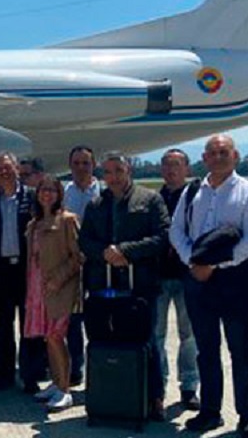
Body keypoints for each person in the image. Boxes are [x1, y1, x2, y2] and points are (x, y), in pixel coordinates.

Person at [170, 134, 248, 438]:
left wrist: (214, 265)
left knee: (241, 350)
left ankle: (247, 415)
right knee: (206, 350)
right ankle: (210, 411)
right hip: (198, 281)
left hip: (235, 282)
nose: (218, 157)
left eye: (224, 152)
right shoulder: (192, 192)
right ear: (204, 158)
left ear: (235, 156)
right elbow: (176, 231)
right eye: (212, 153)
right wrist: (192, 261)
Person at [78, 153, 170, 420]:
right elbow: (85, 241)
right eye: (108, 172)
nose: (114, 177)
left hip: (140, 285)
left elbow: (162, 237)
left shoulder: (150, 199)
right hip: (104, 285)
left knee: (147, 340)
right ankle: (113, 395)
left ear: (128, 170)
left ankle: (155, 397)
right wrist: (105, 253)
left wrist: (126, 251)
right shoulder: (96, 205)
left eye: (118, 170)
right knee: (106, 340)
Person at [0, 151, 41, 393]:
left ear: (16, 169)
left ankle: (30, 376)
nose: (3, 172)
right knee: (2, 325)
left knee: (30, 327)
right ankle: (4, 375)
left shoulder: (32, 196)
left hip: (26, 270)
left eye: (7, 167)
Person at [26, 175, 84, 411]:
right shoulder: (34, 224)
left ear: (59, 194)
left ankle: (65, 389)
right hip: (37, 288)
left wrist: (58, 279)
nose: (46, 194)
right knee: (47, 337)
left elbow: (78, 256)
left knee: (56, 336)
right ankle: (56, 381)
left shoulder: (67, 220)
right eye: (43, 190)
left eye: (52, 190)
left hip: (60, 288)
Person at [155, 149, 200, 411]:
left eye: (176, 164)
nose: (171, 169)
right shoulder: (153, 199)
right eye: (167, 165)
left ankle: (189, 386)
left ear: (187, 169)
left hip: (187, 275)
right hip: (159, 275)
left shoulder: (197, 197)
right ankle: (158, 386)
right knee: (156, 334)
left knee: (189, 335)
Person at [62, 145, 100, 386]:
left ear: (93, 165)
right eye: (76, 163)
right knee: (73, 320)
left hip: (98, 264)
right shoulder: (64, 194)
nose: (81, 168)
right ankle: (76, 366)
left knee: (97, 316)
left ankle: (99, 364)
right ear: (70, 166)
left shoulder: (103, 191)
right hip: (72, 264)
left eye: (85, 163)